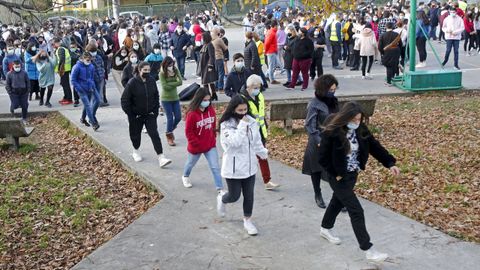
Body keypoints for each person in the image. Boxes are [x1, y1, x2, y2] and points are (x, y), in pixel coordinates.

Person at [318, 101, 400, 263]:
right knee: (356, 210)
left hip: (352, 174)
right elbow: (322, 157)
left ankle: (325, 228)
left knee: (337, 202)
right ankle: (368, 249)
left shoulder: (361, 130)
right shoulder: (332, 132)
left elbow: (375, 147)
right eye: (354, 119)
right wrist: (335, 174)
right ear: (346, 117)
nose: (357, 122)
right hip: (337, 176)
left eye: (359, 119)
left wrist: (390, 163)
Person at [217, 95, 269, 236]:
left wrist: (263, 152)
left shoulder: (252, 121)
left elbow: (256, 141)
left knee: (249, 195)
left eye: (245, 109)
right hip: (233, 168)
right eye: (240, 110)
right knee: (234, 196)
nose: (243, 113)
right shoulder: (226, 125)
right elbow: (234, 143)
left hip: (250, 166)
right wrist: (243, 125)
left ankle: (247, 220)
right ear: (233, 110)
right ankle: (222, 198)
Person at [121, 61, 172, 168]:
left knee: (154, 134)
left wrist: (155, 111)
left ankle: (161, 157)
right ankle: (136, 150)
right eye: (145, 70)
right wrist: (131, 114)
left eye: (148, 70)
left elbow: (156, 95)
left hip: (150, 114)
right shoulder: (132, 83)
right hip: (136, 115)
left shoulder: (151, 81)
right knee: (136, 134)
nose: (147, 72)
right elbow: (125, 100)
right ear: (139, 70)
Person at [302, 74, 339, 208]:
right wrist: (318, 140)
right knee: (316, 169)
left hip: (332, 140)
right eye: (331, 90)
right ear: (323, 89)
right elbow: (309, 125)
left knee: (334, 170)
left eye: (334, 89)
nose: (333, 92)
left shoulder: (334, 101)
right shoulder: (314, 104)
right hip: (317, 140)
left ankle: (339, 197)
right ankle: (317, 194)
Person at [240, 74, 279, 190]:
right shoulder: (242, 99)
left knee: (262, 155)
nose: (258, 90)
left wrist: (264, 128)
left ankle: (267, 181)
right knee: (246, 157)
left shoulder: (260, 96)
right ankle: (241, 178)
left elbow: (260, 115)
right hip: (248, 134)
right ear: (249, 87)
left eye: (259, 87)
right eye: (256, 87)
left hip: (260, 132)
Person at [183, 87, 224, 191]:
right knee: (190, 163)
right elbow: (188, 132)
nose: (207, 102)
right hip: (196, 147)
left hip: (210, 145)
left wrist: (213, 135)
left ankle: (220, 189)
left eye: (208, 100)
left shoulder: (210, 110)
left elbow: (213, 123)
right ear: (199, 99)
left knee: (215, 167)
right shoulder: (192, 114)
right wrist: (196, 143)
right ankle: (185, 176)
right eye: (205, 100)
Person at [71, 52, 101, 131]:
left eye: (90, 60)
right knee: (88, 105)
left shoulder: (91, 66)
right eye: (87, 60)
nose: (89, 61)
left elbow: (91, 78)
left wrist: (92, 86)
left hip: (90, 88)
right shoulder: (77, 67)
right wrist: (79, 88)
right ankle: (93, 122)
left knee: (97, 100)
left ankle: (83, 118)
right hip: (82, 89)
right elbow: (73, 80)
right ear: (82, 59)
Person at [159, 56, 182, 146]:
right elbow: (164, 86)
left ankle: (170, 129)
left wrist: (170, 83)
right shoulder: (162, 73)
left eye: (172, 65)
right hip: (166, 99)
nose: (171, 67)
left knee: (178, 117)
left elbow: (180, 82)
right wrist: (174, 84)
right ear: (165, 65)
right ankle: (169, 137)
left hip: (175, 98)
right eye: (169, 65)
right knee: (170, 118)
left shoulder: (175, 70)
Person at [379, 22, 402, 86]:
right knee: (394, 65)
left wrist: (382, 52)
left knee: (388, 66)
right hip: (396, 51)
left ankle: (389, 81)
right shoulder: (397, 34)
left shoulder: (383, 35)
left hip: (387, 51)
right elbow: (400, 44)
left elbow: (380, 46)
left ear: (386, 27)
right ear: (392, 27)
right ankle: (393, 77)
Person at [52, 37, 74, 105]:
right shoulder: (63, 48)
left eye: (53, 44)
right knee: (64, 83)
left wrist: (59, 69)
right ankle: (66, 97)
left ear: (57, 43)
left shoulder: (60, 49)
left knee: (65, 84)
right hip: (65, 68)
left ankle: (69, 98)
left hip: (63, 69)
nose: (53, 45)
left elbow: (61, 59)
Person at [198, 31, 218, 101]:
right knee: (209, 81)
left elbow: (211, 56)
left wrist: (210, 66)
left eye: (202, 37)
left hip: (207, 65)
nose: (202, 39)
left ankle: (208, 96)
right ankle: (214, 94)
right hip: (203, 66)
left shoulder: (209, 45)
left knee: (206, 82)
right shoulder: (205, 44)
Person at [211, 27, 228, 92]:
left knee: (216, 73)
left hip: (213, 58)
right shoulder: (219, 40)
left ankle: (216, 86)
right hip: (219, 57)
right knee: (221, 73)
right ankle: (220, 87)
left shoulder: (211, 39)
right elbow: (225, 48)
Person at [264, 20, 280, 84]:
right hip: (271, 52)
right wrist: (266, 50)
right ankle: (271, 79)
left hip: (272, 51)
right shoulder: (272, 33)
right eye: (277, 26)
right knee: (271, 66)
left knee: (273, 65)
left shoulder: (272, 32)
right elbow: (267, 43)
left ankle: (267, 76)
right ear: (275, 26)